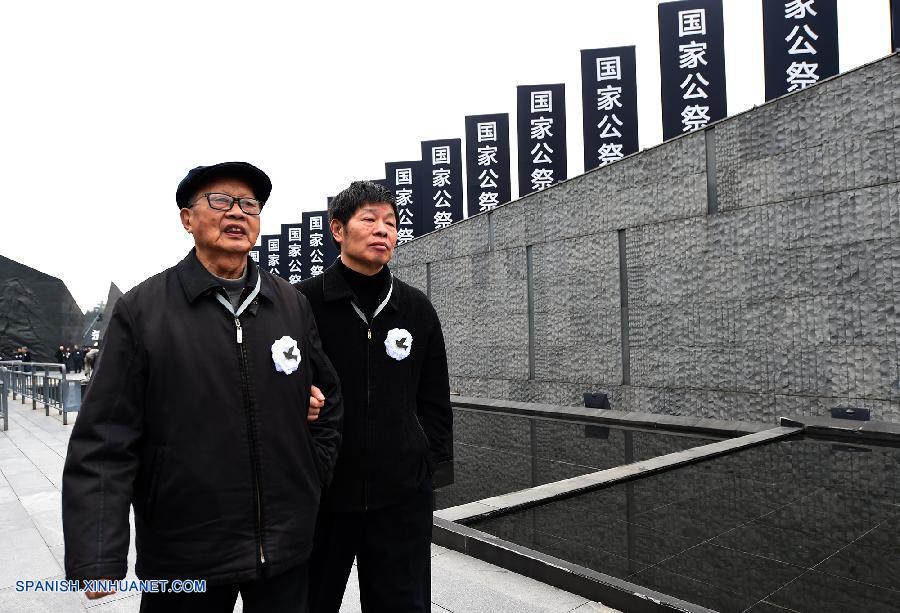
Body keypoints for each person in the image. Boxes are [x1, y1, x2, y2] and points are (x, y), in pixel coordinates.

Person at [62, 161, 343, 613]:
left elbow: (327, 400)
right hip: (183, 552)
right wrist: (97, 551)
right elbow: (105, 437)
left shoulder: (290, 303)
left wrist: (311, 474)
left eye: (249, 204)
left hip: (285, 547)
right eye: (220, 201)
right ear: (187, 219)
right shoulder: (143, 311)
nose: (237, 213)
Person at [297, 181, 452, 613]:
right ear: (338, 230)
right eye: (369, 219)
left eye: (391, 222)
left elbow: (435, 401)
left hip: (400, 498)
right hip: (322, 496)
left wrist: (426, 466)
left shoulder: (415, 308)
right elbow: (278, 386)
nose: (382, 230)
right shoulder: (302, 303)